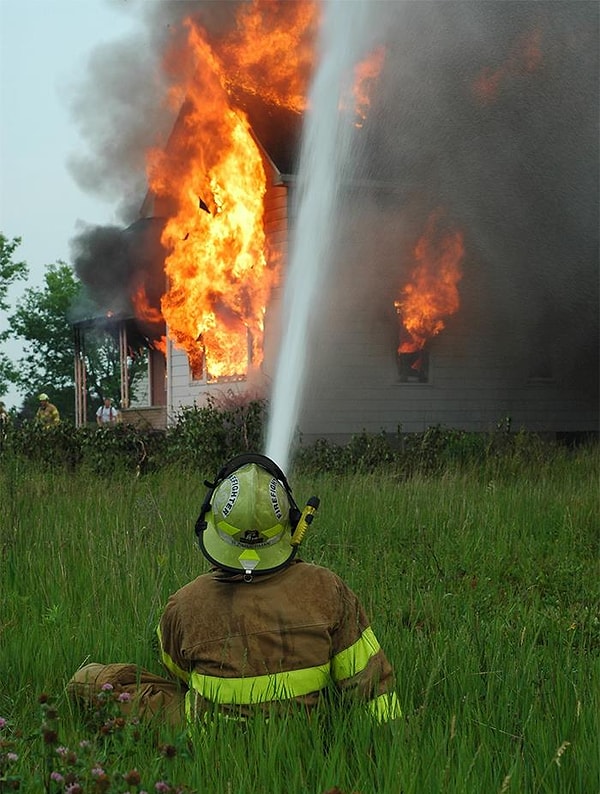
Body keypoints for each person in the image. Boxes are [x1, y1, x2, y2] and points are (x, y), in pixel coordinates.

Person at [68, 453, 401, 727]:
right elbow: (370, 683)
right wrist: (385, 747)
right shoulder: (326, 587)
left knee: (88, 681)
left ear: (209, 522)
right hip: (305, 736)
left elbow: (177, 670)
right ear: (293, 523)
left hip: (206, 736)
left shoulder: (184, 603)